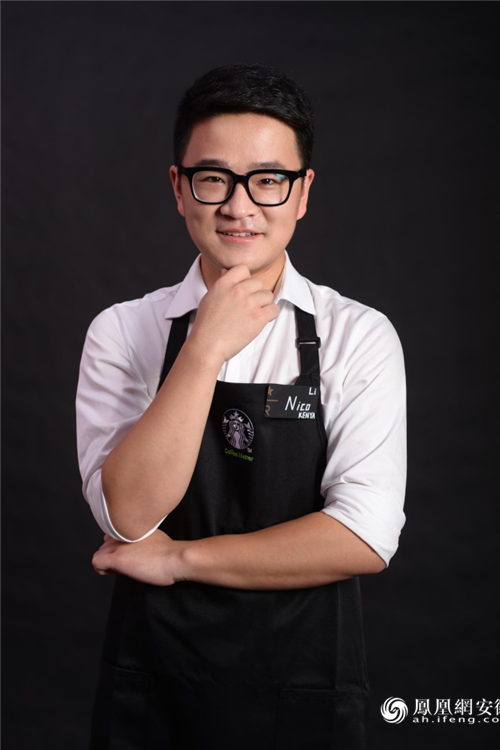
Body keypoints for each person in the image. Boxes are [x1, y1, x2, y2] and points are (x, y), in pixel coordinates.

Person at [76, 62, 407, 750]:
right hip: (153, 690)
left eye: (268, 179)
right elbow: (128, 517)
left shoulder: (358, 335)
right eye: (214, 178)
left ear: (302, 192)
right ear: (179, 187)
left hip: (304, 688)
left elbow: (364, 535)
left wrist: (179, 560)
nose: (239, 205)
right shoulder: (122, 331)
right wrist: (204, 349)